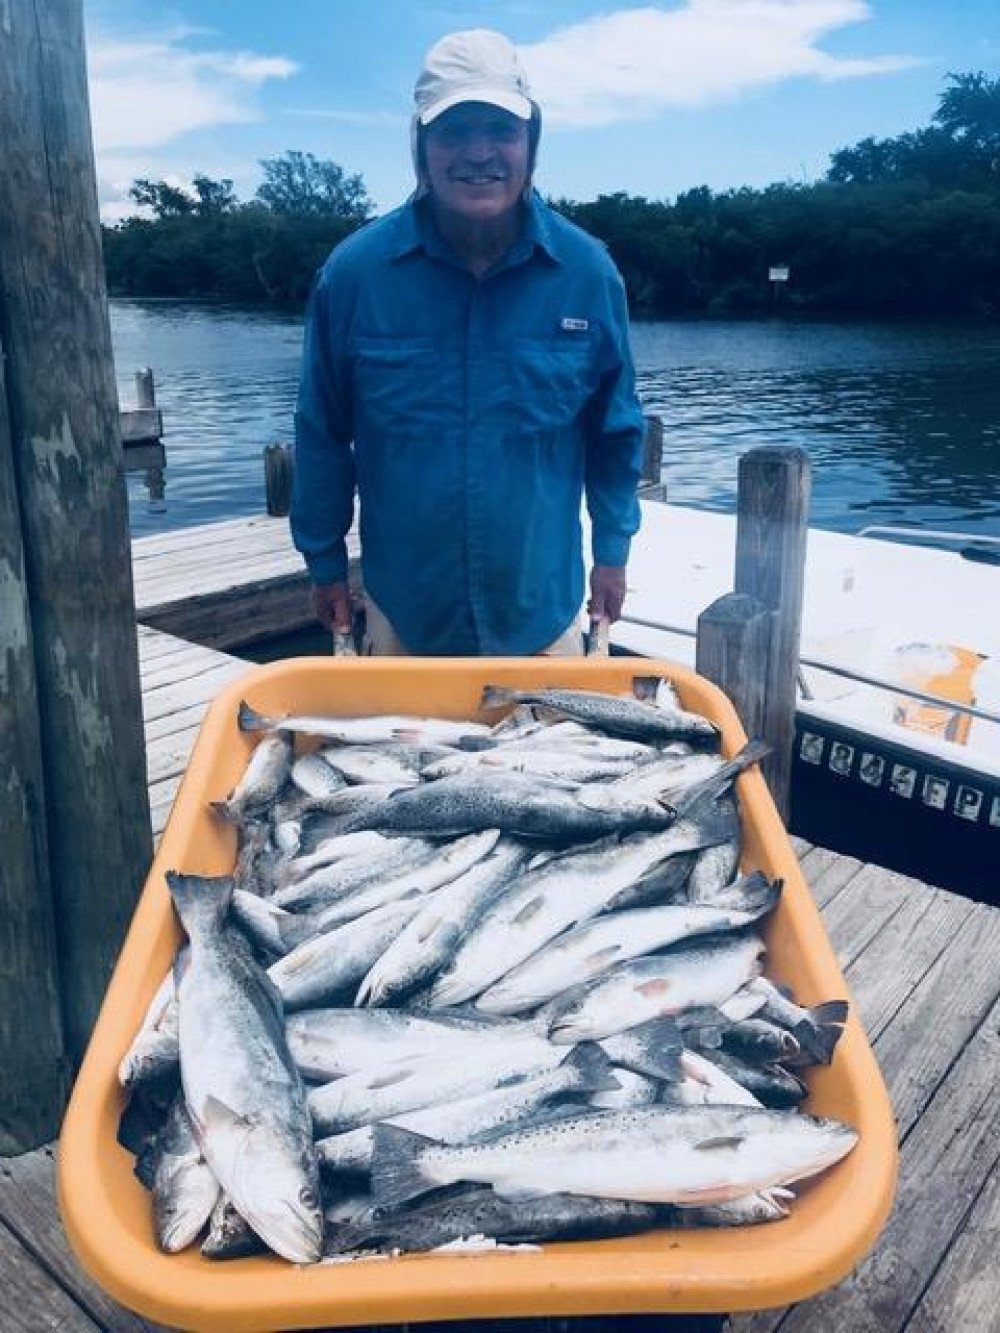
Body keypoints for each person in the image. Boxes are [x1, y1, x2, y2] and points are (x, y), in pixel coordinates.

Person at [290, 29, 645, 655]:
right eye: (453, 132)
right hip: (406, 612)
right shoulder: (352, 276)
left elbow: (615, 433)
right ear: (420, 146)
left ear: (532, 142)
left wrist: (611, 553)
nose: (479, 153)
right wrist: (323, 560)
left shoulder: (589, 275)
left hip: (542, 611)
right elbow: (321, 433)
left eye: (501, 131)